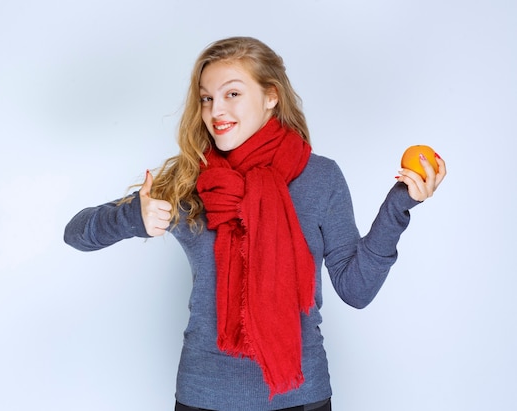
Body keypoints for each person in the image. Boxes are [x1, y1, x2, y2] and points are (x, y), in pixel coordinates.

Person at [64, 36, 446, 411]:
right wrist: (133, 217)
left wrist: (400, 204)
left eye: (232, 94)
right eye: (206, 98)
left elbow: (356, 288)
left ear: (271, 96)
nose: (216, 111)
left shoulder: (320, 178)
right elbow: (76, 233)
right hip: (205, 396)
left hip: (300, 398)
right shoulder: (188, 180)